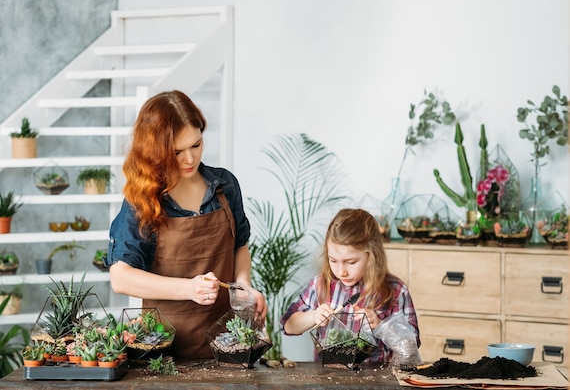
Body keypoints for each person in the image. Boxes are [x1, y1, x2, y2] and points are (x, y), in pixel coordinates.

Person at [106, 90, 266, 359]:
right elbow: (121, 278)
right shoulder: (143, 199)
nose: (190, 159)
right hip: (162, 349)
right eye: (177, 152)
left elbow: (240, 246)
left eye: (196, 145)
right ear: (155, 152)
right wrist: (189, 289)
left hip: (227, 343)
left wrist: (244, 287)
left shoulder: (225, 186)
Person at [280, 208, 419, 363]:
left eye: (351, 262)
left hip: (376, 380)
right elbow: (288, 326)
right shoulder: (320, 284)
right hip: (327, 379)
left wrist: (380, 325)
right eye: (333, 260)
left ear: (372, 255)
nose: (341, 271)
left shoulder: (396, 291)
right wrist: (313, 316)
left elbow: (411, 347)